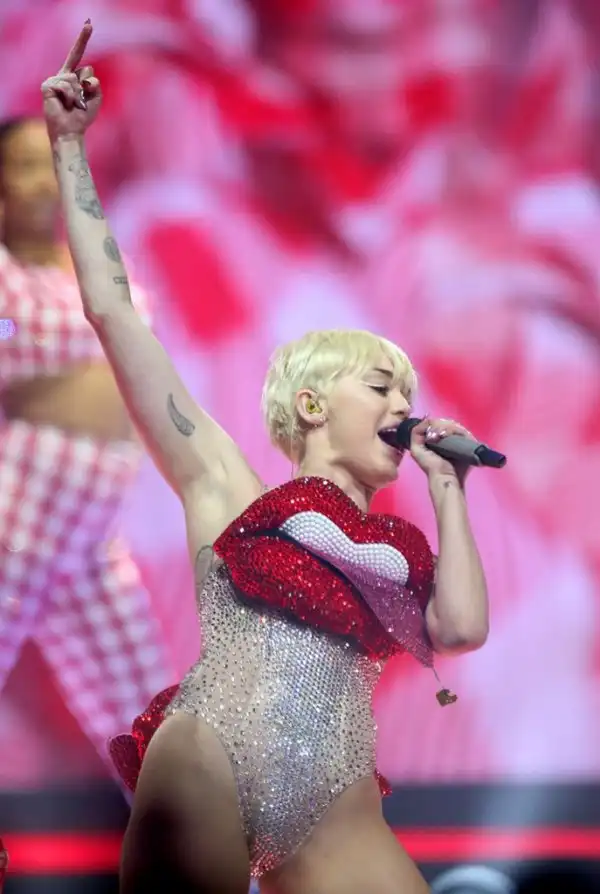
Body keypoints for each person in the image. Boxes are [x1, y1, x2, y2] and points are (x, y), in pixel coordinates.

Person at [42, 22, 490, 894]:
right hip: (212, 757)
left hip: (336, 803)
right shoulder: (231, 491)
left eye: (407, 391)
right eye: (381, 386)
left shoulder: (398, 560)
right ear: (313, 405)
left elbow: (463, 630)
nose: (403, 406)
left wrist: (449, 486)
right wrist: (69, 148)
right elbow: (114, 312)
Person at [0, 111, 172, 782]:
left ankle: (190, 839)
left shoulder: (95, 265)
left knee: (148, 717)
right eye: (23, 166)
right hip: (16, 523)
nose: (43, 181)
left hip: (89, 534)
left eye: (51, 163)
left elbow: (141, 355)